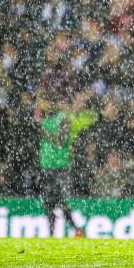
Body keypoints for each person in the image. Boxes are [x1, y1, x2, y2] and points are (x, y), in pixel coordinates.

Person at [38, 99, 90, 237]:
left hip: (60, 167)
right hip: (47, 166)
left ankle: (70, 227)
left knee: (57, 198)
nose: (40, 104)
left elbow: (61, 141)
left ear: (50, 102)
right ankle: (69, 228)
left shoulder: (63, 119)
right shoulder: (43, 120)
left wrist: (45, 132)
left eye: (42, 101)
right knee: (49, 200)